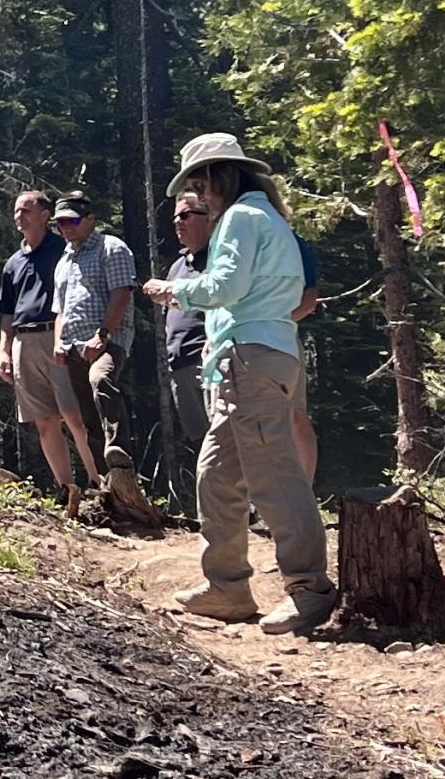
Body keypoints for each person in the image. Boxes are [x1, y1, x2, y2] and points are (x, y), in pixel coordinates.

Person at [142, 134, 337, 635]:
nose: (198, 198)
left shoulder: (240, 219)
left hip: (249, 360)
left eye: (200, 185)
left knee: (273, 474)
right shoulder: (268, 219)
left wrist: (174, 291)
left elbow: (224, 287)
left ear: (219, 179)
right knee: (217, 475)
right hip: (256, 355)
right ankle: (227, 587)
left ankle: (309, 587)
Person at [0, 189, 98, 512]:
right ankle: (69, 491)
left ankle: (100, 484)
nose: (19, 216)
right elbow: (7, 312)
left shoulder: (63, 251)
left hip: (58, 337)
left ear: (45, 214)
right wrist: (4, 350)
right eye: (16, 211)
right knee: (44, 421)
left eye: (26, 209)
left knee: (75, 416)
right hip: (24, 341)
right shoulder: (13, 263)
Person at [49, 192, 137, 467]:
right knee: (87, 413)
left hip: (108, 340)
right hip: (72, 346)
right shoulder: (64, 260)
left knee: (101, 380)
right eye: (60, 223)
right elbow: (60, 309)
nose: (66, 228)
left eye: (72, 221)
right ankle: (105, 479)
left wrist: (103, 335)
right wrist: (57, 343)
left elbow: (121, 294)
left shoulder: (111, 248)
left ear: (89, 220)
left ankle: (119, 451)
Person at [161, 188, 215, 516]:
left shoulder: (221, 257)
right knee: (200, 439)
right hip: (178, 362)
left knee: (227, 436)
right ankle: (211, 509)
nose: (178, 223)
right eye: (175, 217)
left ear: (208, 218)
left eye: (186, 215)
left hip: (211, 360)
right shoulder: (178, 265)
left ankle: (248, 507)